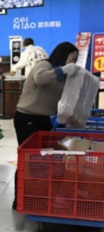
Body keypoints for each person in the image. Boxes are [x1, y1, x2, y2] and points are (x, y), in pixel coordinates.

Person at [12, 41, 82, 207]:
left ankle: (39, 194)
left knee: (45, 159)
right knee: (27, 158)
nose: (73, 62)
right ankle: (19, 198)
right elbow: (40, 78)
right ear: (63, 54)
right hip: (26, 118)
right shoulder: (44, 65)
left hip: (45, 120)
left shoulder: (63, 76)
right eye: (72, 58)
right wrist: (63, 70)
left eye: (76, 59)